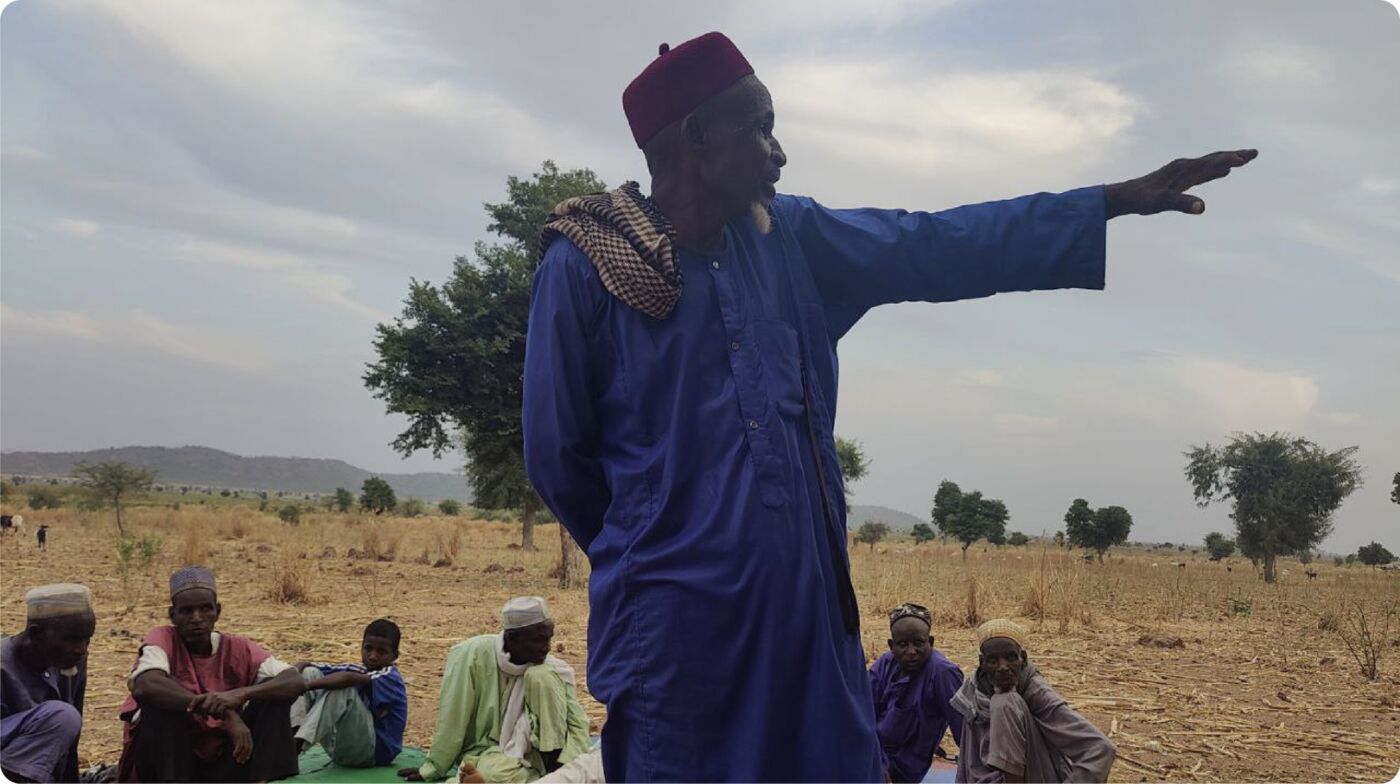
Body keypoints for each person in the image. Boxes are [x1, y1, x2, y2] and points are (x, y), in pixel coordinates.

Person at [521, 30, 1255, 781]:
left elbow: (932, 243)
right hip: (678, 637)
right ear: (697, 138)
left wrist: (1108, 203)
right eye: (761, 128)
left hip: (812, 625)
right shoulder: (585, 267)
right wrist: (657, 550)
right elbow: (557, 457)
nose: (779, 152)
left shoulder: (790, 240)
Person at [116, 566, 305, 782]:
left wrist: (240, 695)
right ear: (173, 615)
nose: (197, 618)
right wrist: (225, 713)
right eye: (186, 611)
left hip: (228, 758)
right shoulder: (163, 639)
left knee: (274, 696)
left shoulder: (238, 647)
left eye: (205, 609)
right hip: (173, 763)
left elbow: (294, 680)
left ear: (218, 611)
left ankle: (265, 779)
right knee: (159, 705)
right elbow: (145, 684)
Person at [398, 597, 589, 783]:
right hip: (490, 753)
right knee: (492, 774)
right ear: (512, 638)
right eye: (539, 640)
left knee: (541, 675)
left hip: (540, 757)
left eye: (549, 639)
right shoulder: (471, 655)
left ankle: (553, 774)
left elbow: (576, 722)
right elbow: (453, 715)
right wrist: (434, 767)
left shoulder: (552, 668)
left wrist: (568, 765)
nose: (547, 648)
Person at [952, 620, 1115, 783]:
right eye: (993, 660)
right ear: (982, 663)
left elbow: (1100, 748)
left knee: (1004, 701)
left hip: (1036, 776)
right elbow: (968, 761)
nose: (1003, 667)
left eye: (1010, 658)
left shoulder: (1036, 691)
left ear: (1023, 658)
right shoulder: (973, 693)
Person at [1, 584, 96, 783]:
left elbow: (68, 740)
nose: (81, 649)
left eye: (87, 640)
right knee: (62, 715)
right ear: (36, 634)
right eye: (72, 639)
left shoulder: (71, 662)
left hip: (29, 771)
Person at [290, 618, 408, 768]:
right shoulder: (360, 668)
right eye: (368, 648)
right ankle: (290, 736)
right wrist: (294, 673)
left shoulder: (391, 677)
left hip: (374, 754)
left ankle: (296, 747)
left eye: (381, 651)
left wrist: (304, 686)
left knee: (343, 688)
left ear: (394, 656)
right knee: (309, 672)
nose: (372, 656)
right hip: (342, 748)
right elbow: (307, 664)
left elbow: (348, 678)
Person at [869, 603, 965, 783]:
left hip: (905, 765)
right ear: (891, 645)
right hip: (874, 754)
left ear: (931, 642)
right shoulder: (885, 663)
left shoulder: (943, 673)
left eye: (919, 643)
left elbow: (964, 731)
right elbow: (863, 711)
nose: (911, 652)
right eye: (903, 644)